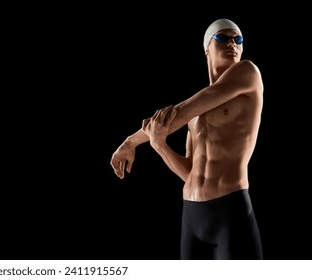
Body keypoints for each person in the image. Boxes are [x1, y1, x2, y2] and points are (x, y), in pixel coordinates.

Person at [110, 18, 264, 259]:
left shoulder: (249, 73)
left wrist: (131, 141)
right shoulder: (194, 118)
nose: (233, 44)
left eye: (239, 40)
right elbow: (189, 172)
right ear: (206, 48)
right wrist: (159, 146)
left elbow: (177, 114)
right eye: (223, 38)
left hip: (230, 211)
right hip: (192, 214)